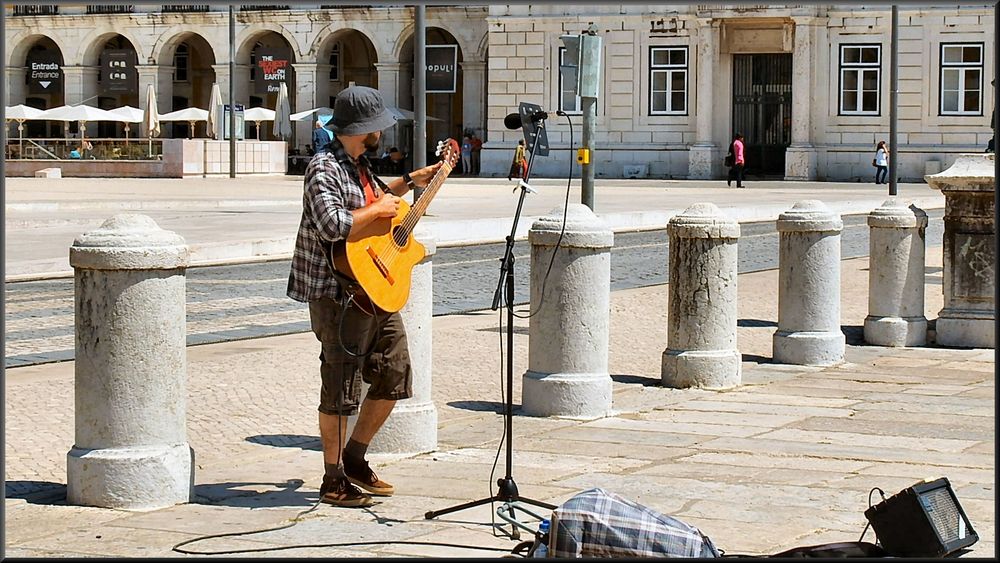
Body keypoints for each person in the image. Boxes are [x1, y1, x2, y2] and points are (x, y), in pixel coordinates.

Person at [286, 85, 442, 508]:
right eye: (378, 127)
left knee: (395, 371)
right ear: (362, 130)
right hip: (337, 293)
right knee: (340, 387)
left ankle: (355, 456)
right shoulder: (323, 167)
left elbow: (378, 200)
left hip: (373, 287)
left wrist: (413, 181)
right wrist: (378, 212)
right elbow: (334, 224)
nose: (382, 133)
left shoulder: (358, 164)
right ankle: (332, 478)